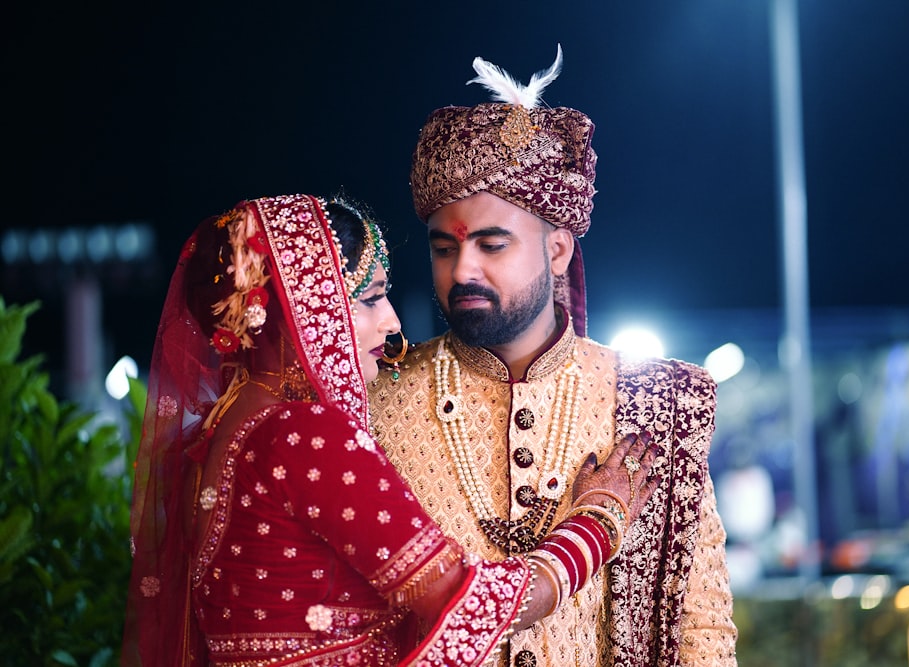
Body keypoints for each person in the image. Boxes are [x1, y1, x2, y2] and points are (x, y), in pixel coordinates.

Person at [120, 193, 663, 666]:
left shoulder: (225, 425)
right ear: (307, 308)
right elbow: (466, 603)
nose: (393, 323)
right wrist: (596, 524)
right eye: (370, 298)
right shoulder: (306, 433)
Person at [370, 47, 738, 666]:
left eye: (492, 244)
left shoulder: (656, 404)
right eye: (443, 248)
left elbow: (698, 626)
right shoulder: (378, 398)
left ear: (559, 250)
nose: (463, 270)